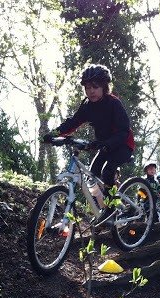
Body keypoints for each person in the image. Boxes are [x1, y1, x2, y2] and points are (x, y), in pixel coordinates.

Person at [43, 64, 135, 224]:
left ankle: (111, 210)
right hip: (104, 145)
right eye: (87, 88)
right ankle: (102, 207)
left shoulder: (114, 103)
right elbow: (72, 123)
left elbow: (123, 131)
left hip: (123, 144)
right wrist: (54, 134)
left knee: (107, 172)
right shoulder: (87, 105)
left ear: (104, 87)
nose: (91, 91)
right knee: (92, 174)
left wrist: (107, 144)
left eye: (95, 87)